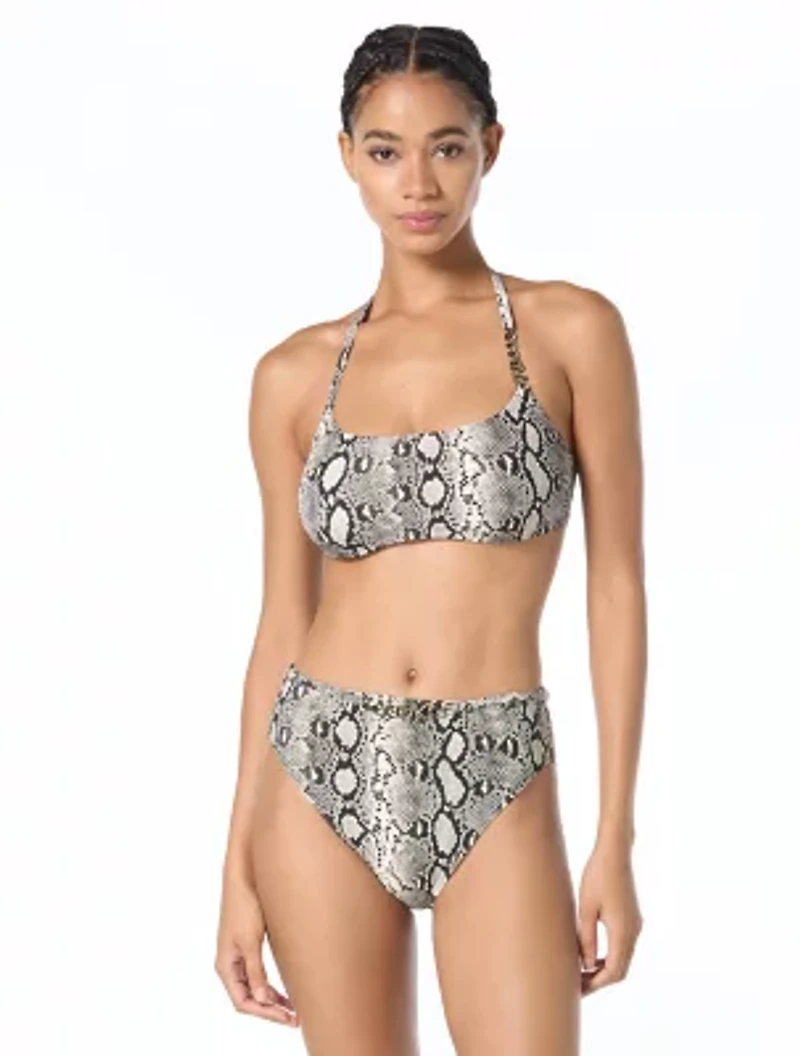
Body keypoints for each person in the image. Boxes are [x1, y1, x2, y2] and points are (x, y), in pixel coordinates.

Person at [215, 22, 646, 1056]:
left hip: (498, 760)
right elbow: (283, 620)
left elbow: (617, 586)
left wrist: (614, 839)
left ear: (490, 146)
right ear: (346, 157)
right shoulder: (292, 377)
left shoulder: (569, 332)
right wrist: (235, 864)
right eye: (385, 150)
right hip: (318, 767)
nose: (418, 183)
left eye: (447, 146)